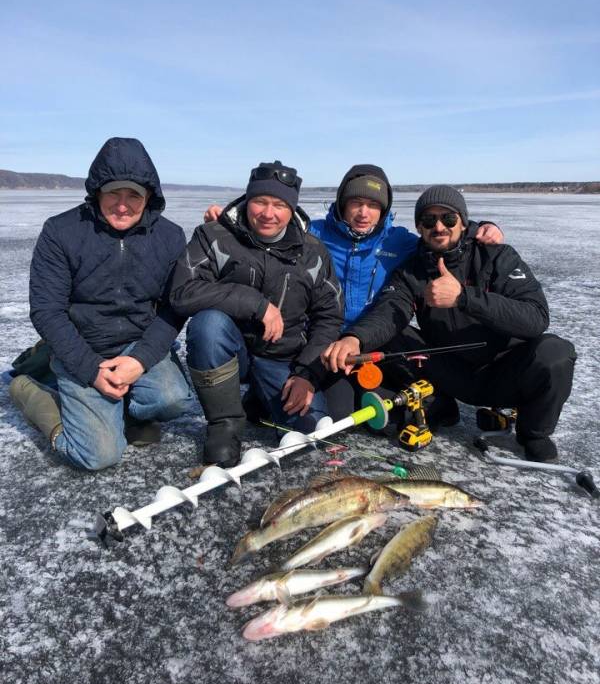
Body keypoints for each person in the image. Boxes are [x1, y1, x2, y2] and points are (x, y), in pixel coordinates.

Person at [204, 164, 502, 419]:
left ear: (383, 210)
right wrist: (232, 224)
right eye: (356, 203)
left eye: (373, 205)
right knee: (337, 414)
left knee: (438, 410)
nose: (363, 212)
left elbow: (439, 236)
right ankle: (265, 388)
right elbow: (269, 233)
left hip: (374, 340)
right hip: (321, 338)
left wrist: (479, 227)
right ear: (342, 204)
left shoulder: (400, 242)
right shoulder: (312, 234)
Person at [322, 185, 576, 462]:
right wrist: (355, 338)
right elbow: (390, 311)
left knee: (555, 352)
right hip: (451, 374)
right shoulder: (412, 270)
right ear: (419, 226)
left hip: (504, 372)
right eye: (429, 220)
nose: (439, 227)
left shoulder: (498, 256)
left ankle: (534, 434)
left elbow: (535, 317)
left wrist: (465, 298)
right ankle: (438, 402)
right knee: (392, 337)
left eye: (449, 219)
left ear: (463, 222)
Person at [9, 137, 194, 471]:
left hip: (137, 341)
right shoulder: (62, 231)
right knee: (98, 455)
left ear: (149, 195)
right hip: (83, 343)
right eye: (113, 193)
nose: (122, 205)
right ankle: (29, 388)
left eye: (133, 195)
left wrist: (139, 361)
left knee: (174, 399)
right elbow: (46, 310)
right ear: (97, 192)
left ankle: (117, 404)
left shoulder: (169, 236)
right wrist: (90, 369)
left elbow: (173, 308)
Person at [169, 160, 343, 469]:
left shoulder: (313, 251)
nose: (268, 213)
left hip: (284, 358)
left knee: (311, 435)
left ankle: (258, 400)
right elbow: (182, 292)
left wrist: (307, 375)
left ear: (292, 209)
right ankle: (224, 423)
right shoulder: (214, 237)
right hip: (231, 350)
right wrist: (255, 304)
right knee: (207, 325)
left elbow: (329, 317)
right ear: (248, 200)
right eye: (260, 201)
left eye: (279, 204)